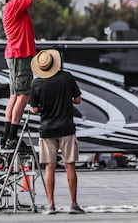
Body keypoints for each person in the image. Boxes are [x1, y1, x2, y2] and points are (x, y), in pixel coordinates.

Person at [0, 0, 47, 149]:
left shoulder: (12, 6)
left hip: (14, 54)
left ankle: (6, 136)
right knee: (24, 95)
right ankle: (11, 138)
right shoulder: (15, 5)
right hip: (20, 55)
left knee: (14, 96)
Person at [29, 49, 85, 215]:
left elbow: (34, 109)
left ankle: (51, 205)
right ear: (55, 63)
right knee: (70, 167)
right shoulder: (66, 77)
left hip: (47, 130)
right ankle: (74, 204)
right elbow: (78, 100)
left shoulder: (36, 83)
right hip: (67, 128)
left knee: (49, 168)